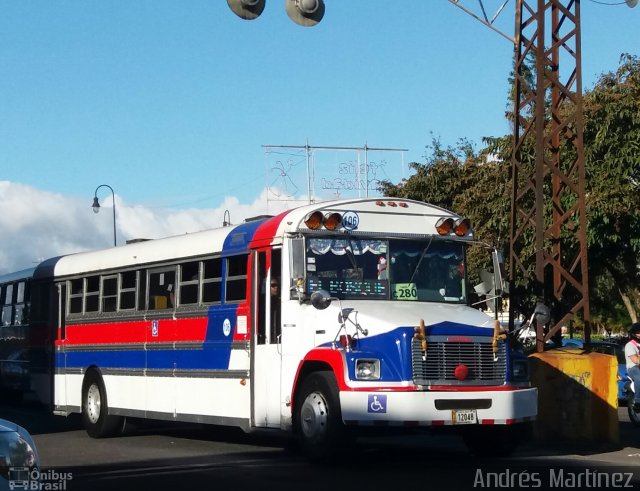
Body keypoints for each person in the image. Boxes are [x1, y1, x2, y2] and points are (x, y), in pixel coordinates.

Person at [625, 323, 640, 409]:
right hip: (633, 368)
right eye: (638, 332)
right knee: (639, 377)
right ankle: (638, 401)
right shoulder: (630, 345)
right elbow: (635, 360)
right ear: (634, 333)